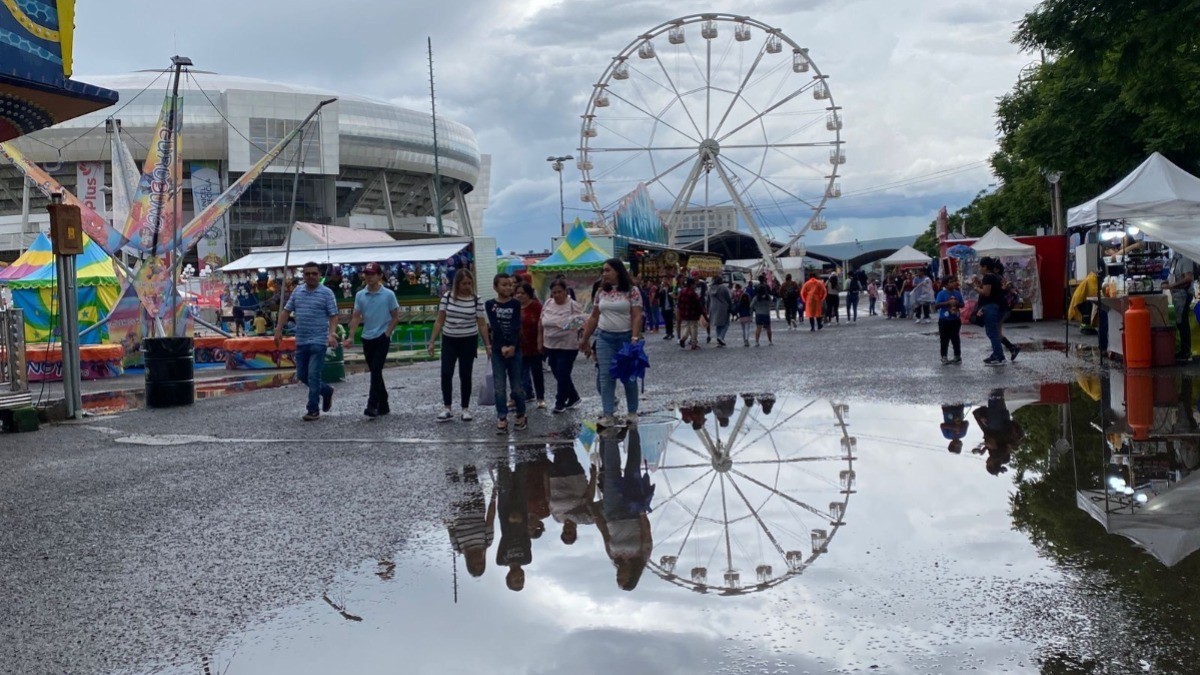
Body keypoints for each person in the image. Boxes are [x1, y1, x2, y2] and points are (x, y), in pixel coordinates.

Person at [580, 258, 643, 428]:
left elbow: (637, 315)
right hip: (604, 339)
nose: (604, 274)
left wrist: (635, 338)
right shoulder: (601, 292)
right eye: (603, 271)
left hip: (626, 338)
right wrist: (585, 339)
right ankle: (608, 414)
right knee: (606, 377)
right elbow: (594, 316)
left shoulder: (632, 291)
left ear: (617, 271)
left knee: (628, 378)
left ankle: (632, 412)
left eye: (607, 270)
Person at [274, 261, 339, 421]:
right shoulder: (298, 292)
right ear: (303, 275)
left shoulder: (327, 293)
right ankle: (326, 391)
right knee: (302, 374)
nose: (310, 276)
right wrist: (278, 329)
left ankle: (313, 409)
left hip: (319, 340)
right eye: (307, 273)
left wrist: (331, 334)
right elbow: (286, 311)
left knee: (313, 375)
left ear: (319, 275)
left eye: (314, 273)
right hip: (301, 340)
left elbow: (333, 315)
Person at [595, 426, 654, 591]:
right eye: (621, 577)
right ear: (631, 576)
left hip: (612, 513)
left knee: (611, 474)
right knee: (632, 469)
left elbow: (605, 535)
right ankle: (633, 430)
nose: (618, 574)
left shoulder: (614, 557)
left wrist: (597, 517)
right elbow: (647, 534)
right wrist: (642, 512)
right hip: (632, 512)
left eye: (617, 577)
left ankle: (610, 437)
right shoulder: (643, 556)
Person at [429, 269, 491, 422]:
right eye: (464, 283)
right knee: (446, 372)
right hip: (450, 339)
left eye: (469, 283)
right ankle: (447, 407)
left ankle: (465, 408)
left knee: (465, 374)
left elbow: (482, 324)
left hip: (468, 340)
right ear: (457, 284)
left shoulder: (477, 299)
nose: (467, 286)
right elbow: (439, 320)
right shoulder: (447, 298)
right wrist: (432, 341)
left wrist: (487, 344)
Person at [344, 262, 400, 417]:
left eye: (372, 274)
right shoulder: (360, 295)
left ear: (380, 276)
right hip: (367, 337)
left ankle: (372, 404)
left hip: (382, 336)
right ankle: (384, 402)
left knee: (376, 369)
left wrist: (387, 333)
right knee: (375, 371)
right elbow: (356, 316)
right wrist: (350, 336)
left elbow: (395, 317)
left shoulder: (388, 294)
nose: (369, 277)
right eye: (367, 274)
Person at [487, 273, 526, 433]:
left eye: (510, 284)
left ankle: (521, 414)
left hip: (514, 350)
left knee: (516, 386)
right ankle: (502, 417)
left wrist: (512, 346)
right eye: (504, 284)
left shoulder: (516, 304)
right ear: (496, 287)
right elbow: (495, 325)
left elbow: (516, 325)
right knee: (499, 387)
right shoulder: (490, 304)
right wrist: (502, 346)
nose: (508, 287)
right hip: (498, 351)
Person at [539, 278, 584, 414]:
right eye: (554, 292)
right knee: (556, 371)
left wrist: (564, 324)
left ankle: (560, 402)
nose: (557, 295)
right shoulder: (548, 303)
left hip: (568, 345)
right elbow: (541, 321)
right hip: (550, 344)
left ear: (565, 291)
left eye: (560, 292)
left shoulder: (573, 305)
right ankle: (574, 396)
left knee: (563, 372)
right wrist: (539, 340)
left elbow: (580, 323)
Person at [445, 465, 496, 578]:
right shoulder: (487, 542)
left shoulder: (458, 547)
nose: (479, 560)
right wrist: (493, 497)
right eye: (481, 563)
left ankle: (448, 454)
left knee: (452, 477)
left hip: (458, 508)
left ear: (469, 563)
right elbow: (490, 518)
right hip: (476, 505)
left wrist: (446, 508)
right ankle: (467, 449)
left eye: (475, 564)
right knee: (471, 474)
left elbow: (450, 527)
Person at [973, 389, 1023, 475]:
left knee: (998, 399)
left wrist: (983, 449)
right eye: (987, 464)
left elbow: (998, 446)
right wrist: (985, 444)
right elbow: (992, 443)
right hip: (997, 425)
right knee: (995, 395)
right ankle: (998, 380)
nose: (986, 462)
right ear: (992, 465)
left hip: (1004, 425)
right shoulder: (997, 455)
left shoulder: (1000, 456)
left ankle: (999, 385)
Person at [971, 257, 1009, 366]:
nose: (979, 269)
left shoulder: (988, 277)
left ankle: (999, 357)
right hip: (997, 307)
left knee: (992, 332)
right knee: (993, 332)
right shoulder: (995, 276)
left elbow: (986, 293)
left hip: (991, 307)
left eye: (980, 266)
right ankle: (997, 354)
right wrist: (979, 283)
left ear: (985, 267)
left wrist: (973, 286)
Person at [515, 283, 546, 409]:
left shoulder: (536, 306)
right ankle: (521, 396)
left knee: (537, 372)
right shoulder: (514, 306)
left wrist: (541, 341)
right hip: (519, 346)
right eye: (518, 293)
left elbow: (541, 323)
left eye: (523, 293)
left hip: (534, 344)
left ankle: (540, 398)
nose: (520, 295)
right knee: (520, 373)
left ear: (529, 294)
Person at [1167, 249, 1195, 362]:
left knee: (1183, 323)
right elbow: (1173, 274)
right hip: (1177, 296)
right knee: (1180, 323)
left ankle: (1186, 352)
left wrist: (1172, 285)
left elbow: (1188, 278)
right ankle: (1184, 350)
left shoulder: (1185, 258)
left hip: (1184, 295)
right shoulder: (1175, 258)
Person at [935, 275, 964, 365]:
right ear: (946, 284)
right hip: (944, 320)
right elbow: (936, 305)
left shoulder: (957, 293)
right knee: (944, 339)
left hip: (955, 319)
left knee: (955, 338)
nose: (954, 283)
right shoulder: (941, 294)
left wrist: (958, 304)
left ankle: (957, 355)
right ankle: (944, 356)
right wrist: (947, 303)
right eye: (951, 282)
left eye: (954, 281)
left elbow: (962, 304)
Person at [676, 276, 705, 350]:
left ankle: (683, 338)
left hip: (685, 313)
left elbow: (679, 303)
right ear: (692, 284)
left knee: (687, 327)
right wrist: (703, 313)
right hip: (693, 313)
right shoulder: (693, 293)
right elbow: (698, 304)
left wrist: (680, 311)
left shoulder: (682, 291)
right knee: (693, 328)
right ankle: (693, 343)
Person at [708, 276, 733, 347]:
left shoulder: (710, 289)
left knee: (718, 325)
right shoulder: (723, 288)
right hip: (723, 308)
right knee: (726, 323)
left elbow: (708, 300)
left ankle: (719, 338)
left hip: (713, 307)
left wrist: (708, 309)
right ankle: (721, 337)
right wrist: (730, 307)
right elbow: (728, 298)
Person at [750, 280, 774, 346]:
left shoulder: (756, 297)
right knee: (768, 328)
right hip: (766, 313)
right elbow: (771, 303)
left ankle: (757, 342)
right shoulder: (768, 297)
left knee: (758, 328)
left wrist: (755, 308)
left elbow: (751, 306)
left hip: (758, 314)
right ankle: (770, 341)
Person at [656, 276, 676, 340]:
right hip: (663, 307)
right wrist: (660, 290)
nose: (664, 281)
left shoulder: (671, 288)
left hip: (670, 306)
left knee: (670, 320)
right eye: (663, 280)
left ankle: (671, 333)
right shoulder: (660, 288)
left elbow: (674, 294)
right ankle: (668, 333)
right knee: (666, 320)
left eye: (665, 280)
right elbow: (656, 296)